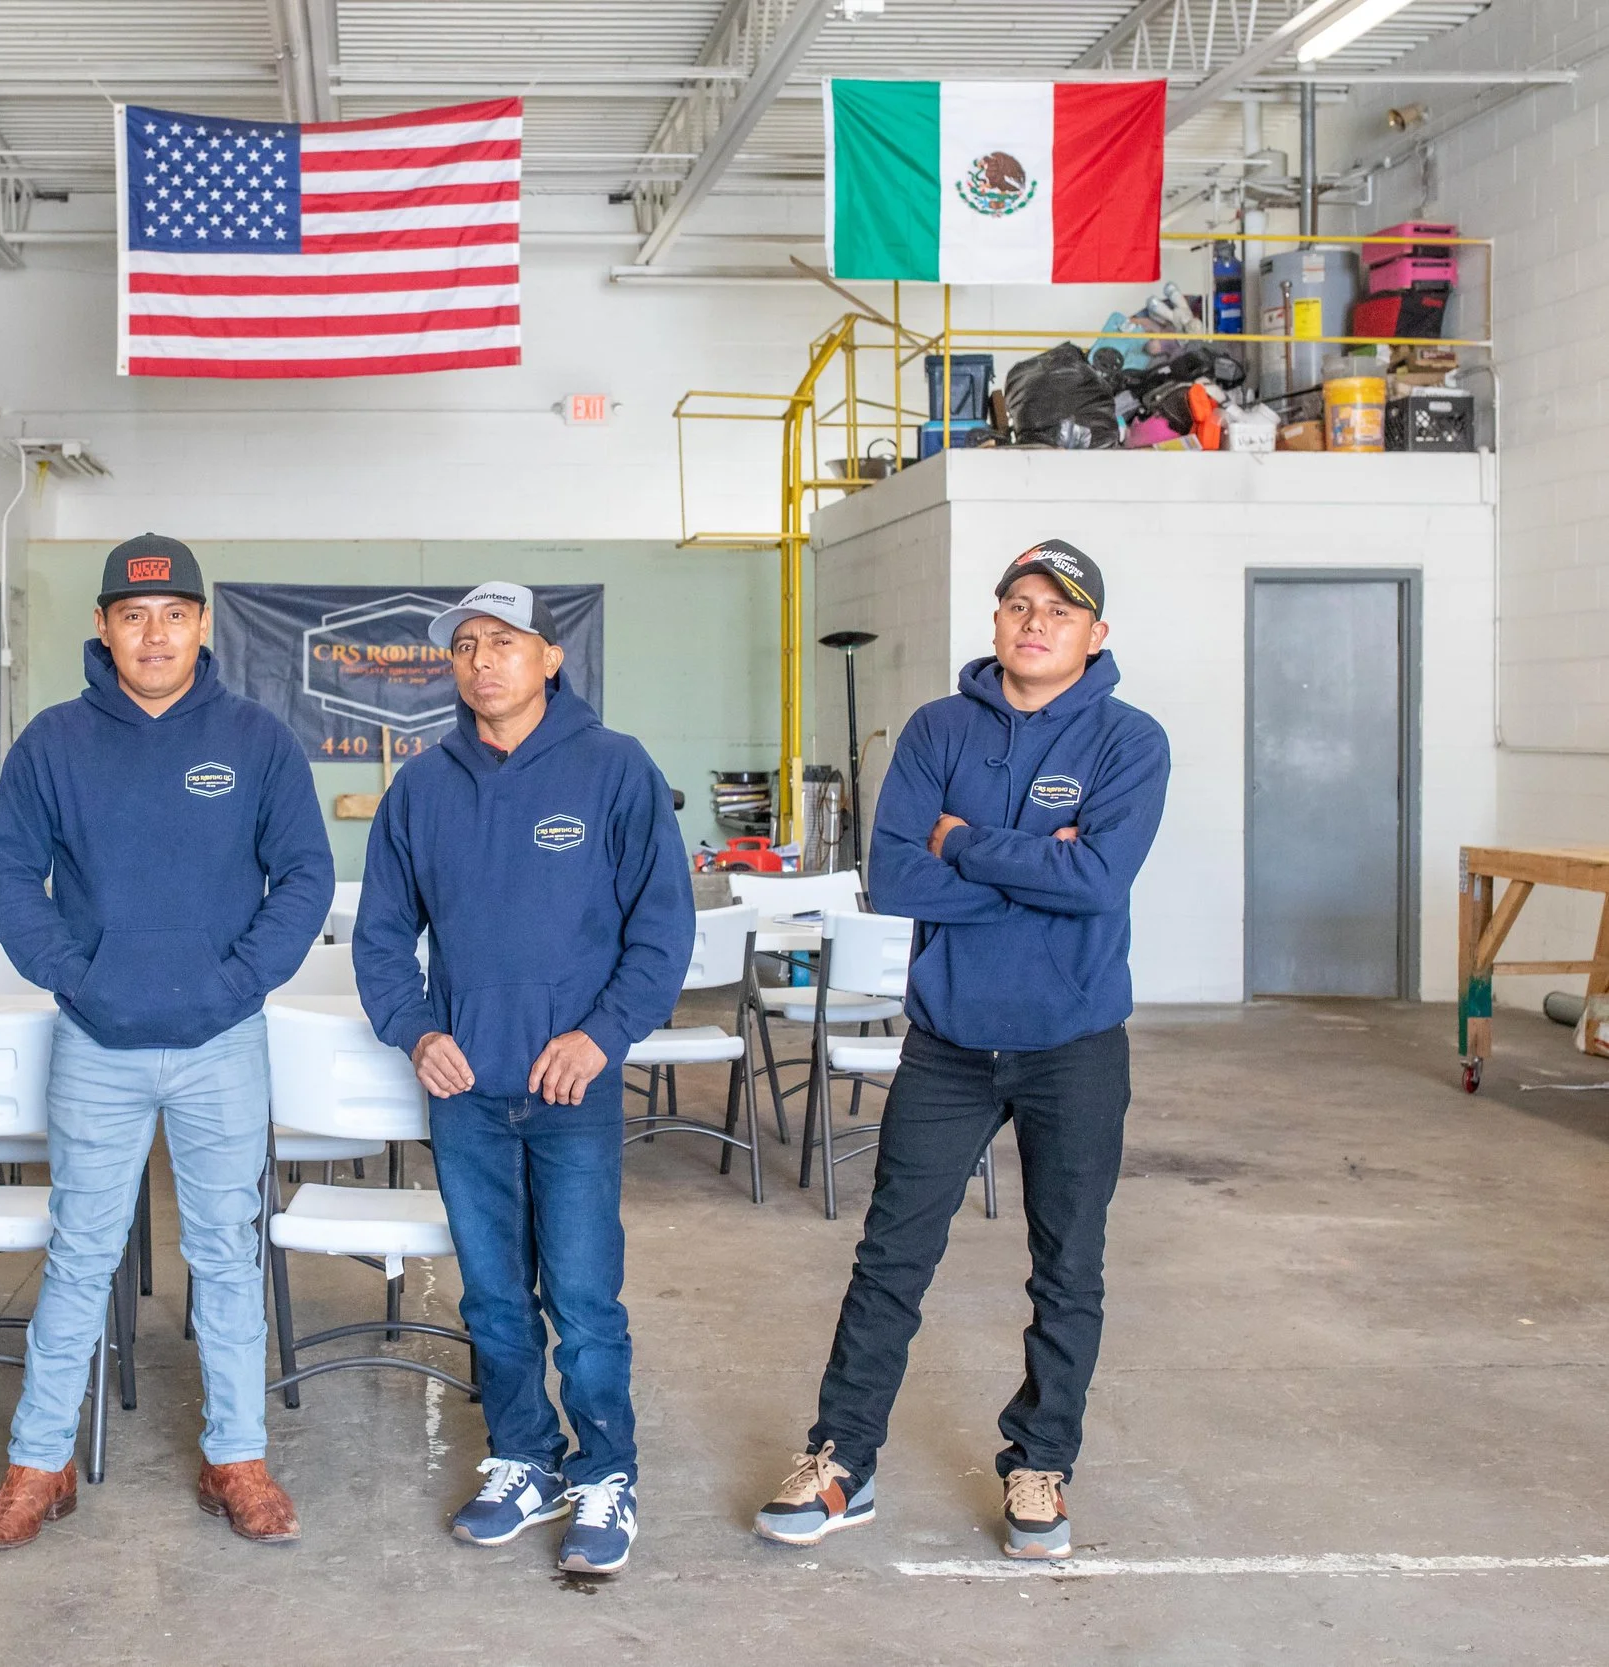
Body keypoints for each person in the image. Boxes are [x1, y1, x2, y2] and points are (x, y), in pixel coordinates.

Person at [754, 539, 1169, 1562]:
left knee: (1067, 1264)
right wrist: (1036, 864)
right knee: (892, 1255)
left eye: (1060, 610)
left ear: (1094, 635)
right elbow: (893, 879)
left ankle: (1041, 1461)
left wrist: (961, 841)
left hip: (1073, 1043)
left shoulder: (1129, 741)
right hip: (947, 1040)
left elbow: (1098, 882)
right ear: (995, 622)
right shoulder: (939, 728)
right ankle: (840, 1455)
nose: (1035, 621)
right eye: (1018, 603)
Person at [0, 534, 333, 1550]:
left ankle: (238, 1457)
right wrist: (70, 971)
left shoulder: (257, 738)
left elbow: (304, 873)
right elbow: (7, 873)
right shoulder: (52, 742)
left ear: (203, 624)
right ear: (103, 626)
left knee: (226, 1253)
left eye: (174, 612)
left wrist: (238, 977)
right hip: (95, 1041)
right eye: (134, 615)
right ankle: (38, 1464)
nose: (155, 631)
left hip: (222, 1041)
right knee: (80, 1253)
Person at [353, 581, 692, 1577]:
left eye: (505, 640)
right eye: (465, 644)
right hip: (466, 1093)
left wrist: (602, 1034)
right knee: (495, 1299)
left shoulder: (614, 770)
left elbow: (660, 928)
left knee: (584, 1297)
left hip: (570, 1092)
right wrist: (416, 1030)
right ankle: (521, 1455)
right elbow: (380, 936)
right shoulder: (420, 786)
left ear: (550, 657)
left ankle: (605, 1468)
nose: (483, 658)